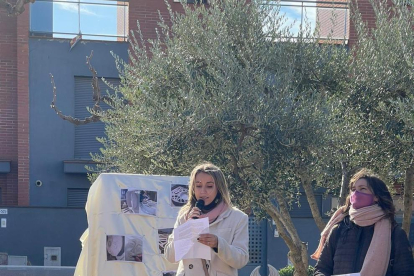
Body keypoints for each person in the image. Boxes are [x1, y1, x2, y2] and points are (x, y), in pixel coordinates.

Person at [312, 168, 414, 276]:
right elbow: (321, 269)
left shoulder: (394, 233)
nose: (356, 193)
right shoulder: (339, 230)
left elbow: (405, 272)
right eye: (353, 189)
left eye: (362, 189)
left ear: (376, 197)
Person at [164, 163, 249, 276]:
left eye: (209, 186)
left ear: (219, 188)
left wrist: (218, 244)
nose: (203, 191)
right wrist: (187, 229)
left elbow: (241, 260)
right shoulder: (185, 216)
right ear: (193, 188)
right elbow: (170, 256)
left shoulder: (237, 217)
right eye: (198, 186)